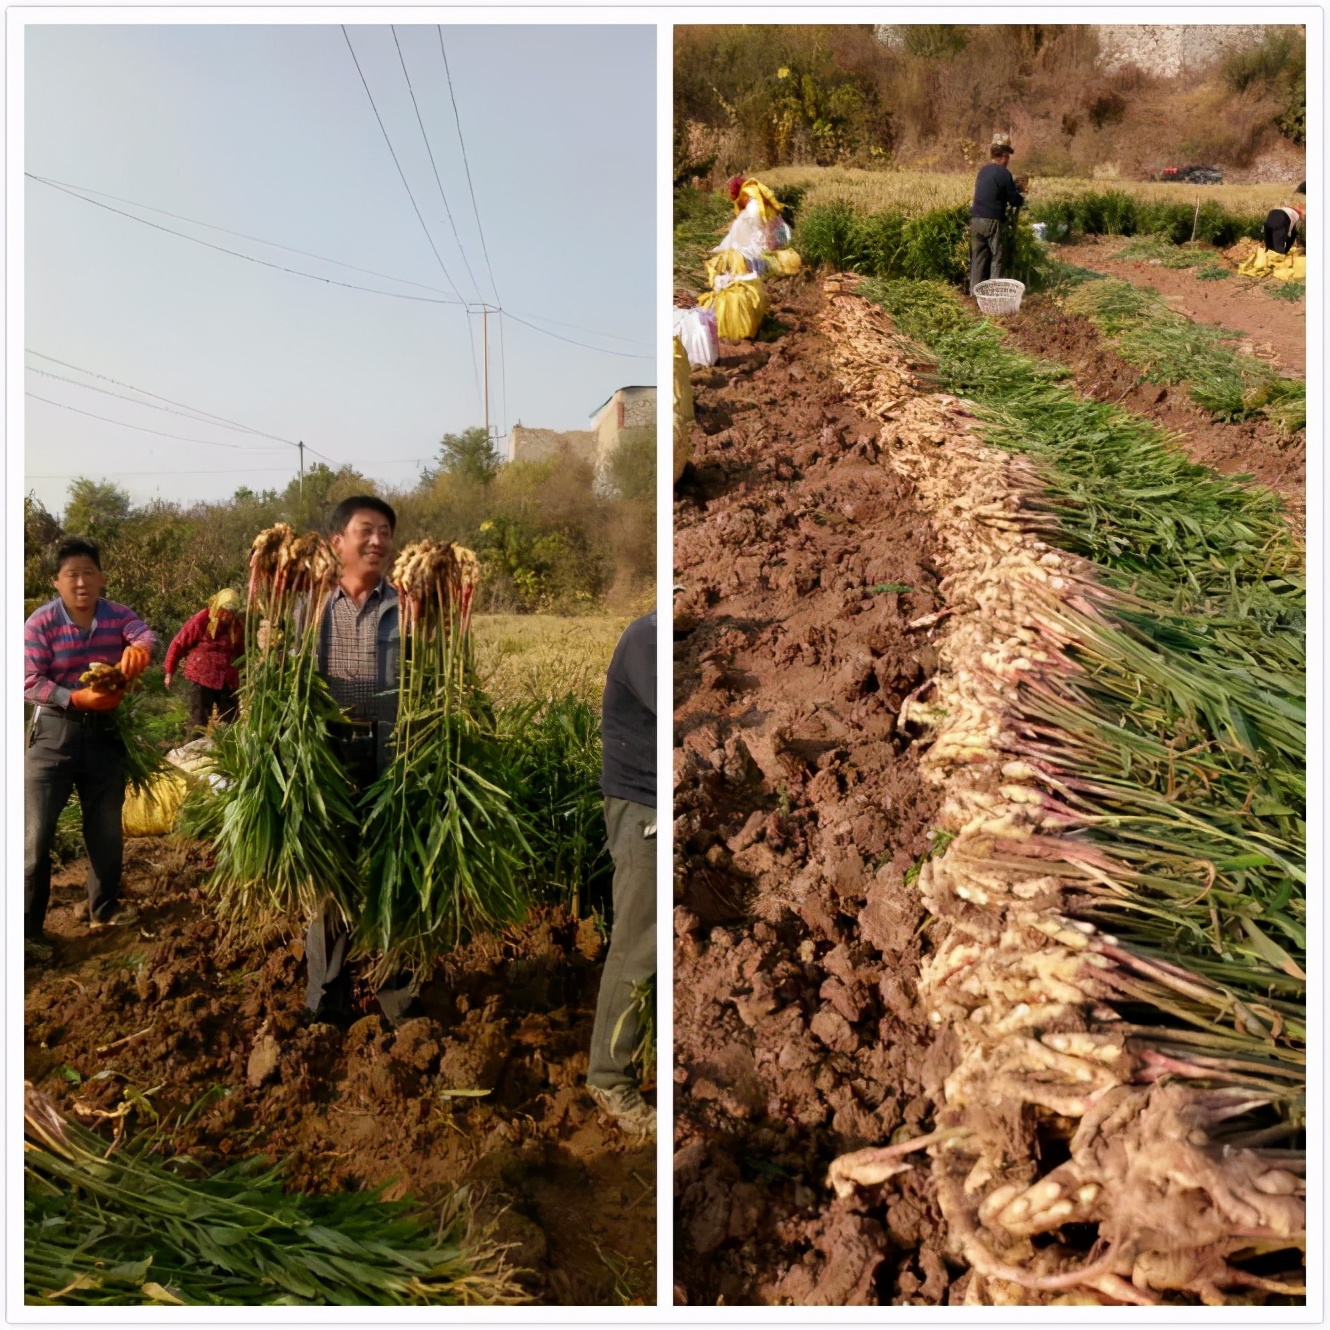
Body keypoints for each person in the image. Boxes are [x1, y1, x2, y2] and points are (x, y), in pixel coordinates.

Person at [301, 494, 416, 1027]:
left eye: (386, 532)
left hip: (391, 750)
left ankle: (400, 1005)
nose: (378, 541)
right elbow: (285, 675)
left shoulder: (409, 604)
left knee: (398, 870)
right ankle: (326, 1001)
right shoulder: (308, 605)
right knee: (331, 877)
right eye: (366, 530)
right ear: (337, 543)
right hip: (327, 754)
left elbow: (430, 676)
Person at [23, 536, 157, 962]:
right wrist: (75, 698)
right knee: (35, 836)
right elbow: (28, 681)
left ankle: (103, 909)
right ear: (57, 583)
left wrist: (140, 650)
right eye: (71, 575)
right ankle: (27, 930)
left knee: (105, 829)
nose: (81, 582)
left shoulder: (118, 615)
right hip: (54, 733)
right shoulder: (40, 623)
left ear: (101, 578)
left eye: (88, 573)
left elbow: (142, 633)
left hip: (105, 732)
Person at [586, 610, 657, 1139]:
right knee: (638, 947)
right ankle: (610, 1078)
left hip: (656, 802)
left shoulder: (660, 632)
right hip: (643, 809)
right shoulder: (645, 638)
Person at [163, 588, 244, 735]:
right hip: (201, 676)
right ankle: (194, 752)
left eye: (231, 611)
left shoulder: (236, 626)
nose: (226, 615)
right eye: (224, 610)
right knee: (198, 723)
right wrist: (169, 671)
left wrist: (243, 673)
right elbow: (179, 643)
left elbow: (241, 651)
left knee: (231, 722)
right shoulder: (203, 619)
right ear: (217, 606)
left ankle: (228, 753)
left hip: (227, 679)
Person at [970, 132, 1026, 294]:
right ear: (1005, 156)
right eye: (1008, 156)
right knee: (997, 257)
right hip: (992, 221)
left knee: (978, 258)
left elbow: (993, 192)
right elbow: (1014, 200)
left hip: (975, 220)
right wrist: (1021, 197)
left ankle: (975, 294)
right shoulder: (1004, 173)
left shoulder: (983, 171)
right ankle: (995, 294)